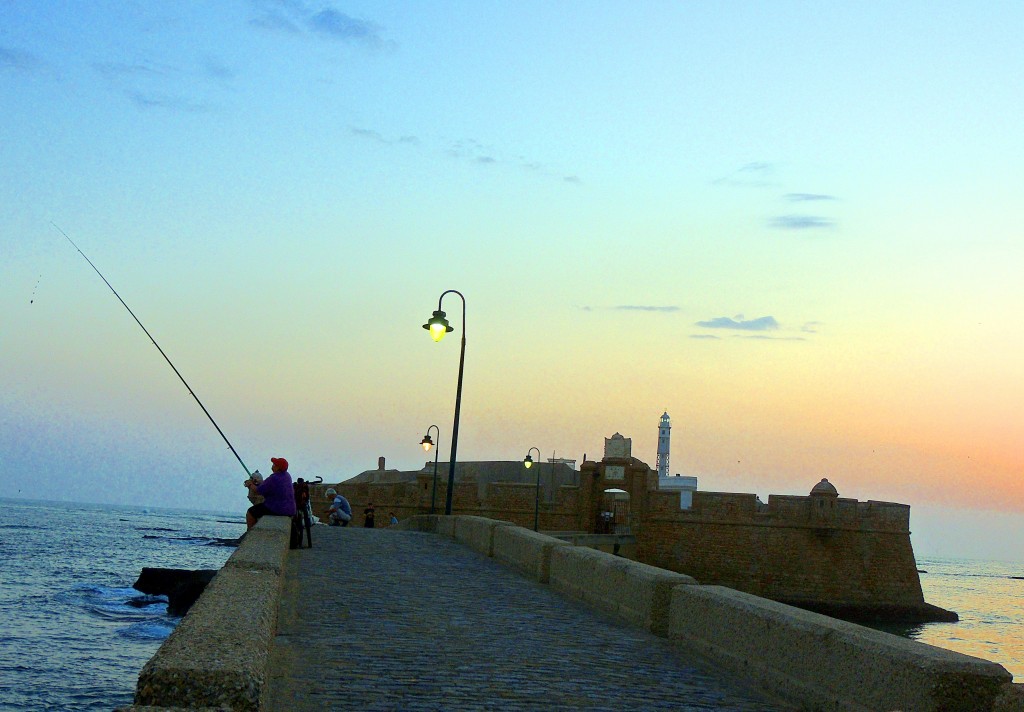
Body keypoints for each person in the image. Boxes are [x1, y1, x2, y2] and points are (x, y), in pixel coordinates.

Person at [245, 457, 296, 530]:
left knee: (251, 512)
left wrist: (250, 484)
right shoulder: (287, 476)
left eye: (274, 464)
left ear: (278, 467)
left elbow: (258, 490)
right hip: (290, 509)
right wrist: (260, 483)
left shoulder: (274, 478)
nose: (272, 465)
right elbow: (268, 486)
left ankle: (250, 532)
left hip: (278, 508)